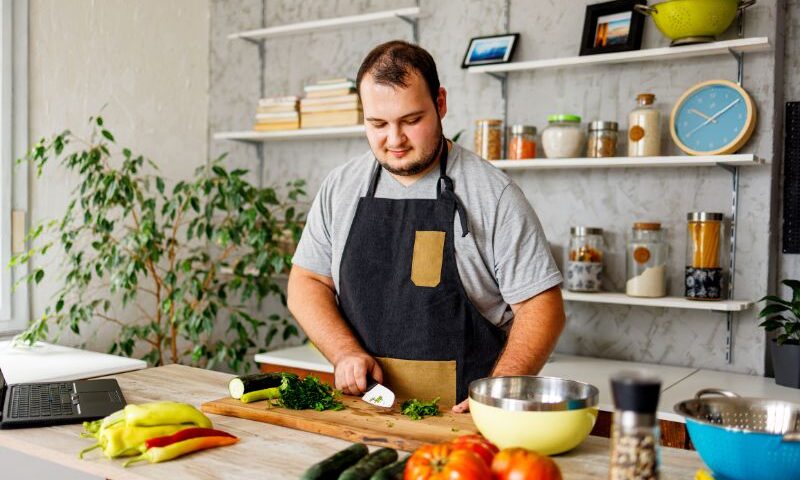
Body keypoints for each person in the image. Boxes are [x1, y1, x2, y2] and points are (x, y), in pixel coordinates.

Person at [287, 40, 565, 413]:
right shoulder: (340, 189)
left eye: (411, 120)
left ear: (441, 103)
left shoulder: (493, 195)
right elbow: (306, 283)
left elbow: (542, 308)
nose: (395, 139)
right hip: (365, 413)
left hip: (467, 422)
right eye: (378, 124)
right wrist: (344, 352)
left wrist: (497, 393)